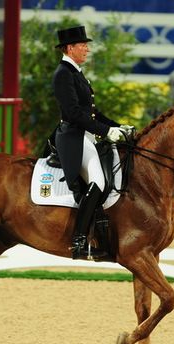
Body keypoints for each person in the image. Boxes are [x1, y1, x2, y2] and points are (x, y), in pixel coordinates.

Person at [52, 25, 131, 260]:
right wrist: (106, 131)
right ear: (70, 48)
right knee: (98, 181)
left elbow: (93, 113)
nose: (87, 49)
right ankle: (78, 240)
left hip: (86, 135)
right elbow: (74, 113)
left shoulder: (76, 73)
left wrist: (118, 126)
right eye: (83, 45)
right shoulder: (63, 74)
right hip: (73, 137)